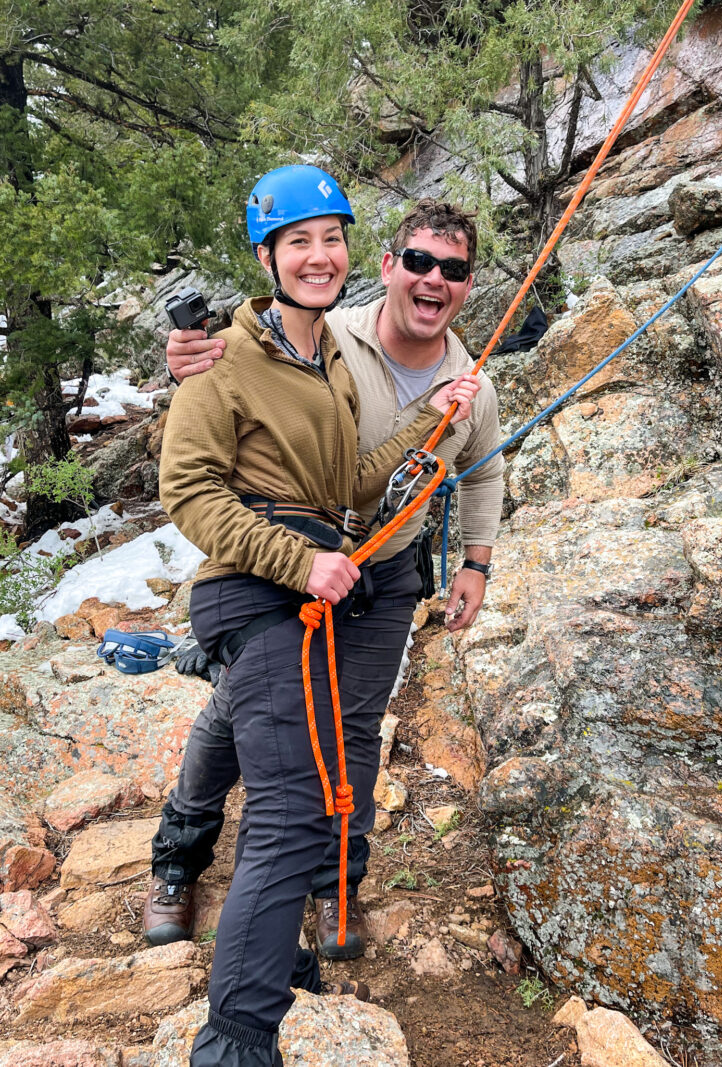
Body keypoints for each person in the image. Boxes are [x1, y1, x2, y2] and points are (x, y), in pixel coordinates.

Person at [157, 166, 481, 1066]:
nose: (318, 255)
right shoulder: (226, 356)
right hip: (257, 590)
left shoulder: (331, 360)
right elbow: (186, 487)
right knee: (295, 805)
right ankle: (234, 1040)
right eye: (297, 241)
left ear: (348, 252)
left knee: (313, 779)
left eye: (329, 238)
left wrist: (432, 426)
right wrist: (299, 559)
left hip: (311, 587)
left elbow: (345, 485)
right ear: (266, 256)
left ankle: (261, 962)